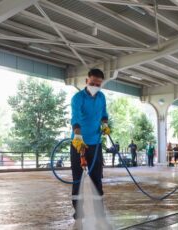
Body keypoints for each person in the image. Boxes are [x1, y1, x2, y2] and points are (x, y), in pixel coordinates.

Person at [70, 68, 110, 220]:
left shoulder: (101, 98)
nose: (95, 86)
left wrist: (105, 124)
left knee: (96, 178)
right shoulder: (77, 98)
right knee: (77, 178)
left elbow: (104, 114)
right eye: (92, 83)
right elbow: (75, 118)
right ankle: (78, 210)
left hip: (96, 143)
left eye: (98, 84)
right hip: (78, 143)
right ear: (87, 81)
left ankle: (98, 210)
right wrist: (78, 135)